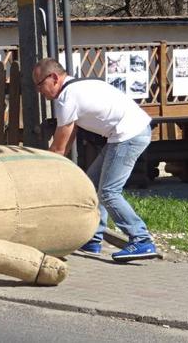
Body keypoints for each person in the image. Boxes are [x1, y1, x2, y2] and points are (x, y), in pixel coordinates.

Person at [33, 58, 159, 262]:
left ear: (54, 78)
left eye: (40, 85)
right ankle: (93, 239)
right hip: (126, 132)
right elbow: (67, 137)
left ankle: (142, 239)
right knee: (92, 186)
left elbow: (59, 149)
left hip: (128, 134)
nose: (40, 91)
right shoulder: (79, 86)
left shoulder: (67, 97)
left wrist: (38, 173)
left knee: (109, 192)